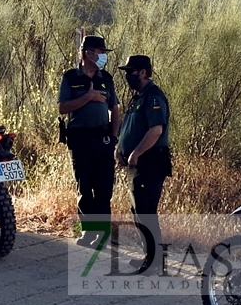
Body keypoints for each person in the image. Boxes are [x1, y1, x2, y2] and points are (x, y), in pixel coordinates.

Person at [58, 35, 121, 246]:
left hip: (102, 138)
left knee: (103, 187)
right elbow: (62, 107)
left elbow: (115, 109)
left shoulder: (107, 78)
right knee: (84, 186)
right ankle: (87, 232)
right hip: (79, 138)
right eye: (100, 52)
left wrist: (114, 137)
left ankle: (102, 235)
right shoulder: (70, 77)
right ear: (88, 53)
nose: (103, 56)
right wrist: (88, 97)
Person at [116, 55, 171, 227]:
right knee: (138, 210)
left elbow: (156, 130)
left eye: (130, 72)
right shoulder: (137, 97)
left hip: (150, 162)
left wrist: (136, 153)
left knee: (145, 211)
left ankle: (154, 254)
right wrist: (119, 148)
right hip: (136, 163)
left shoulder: (153, 96)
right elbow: (129, 127)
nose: (127, 76)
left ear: (143, 72)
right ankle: (150, 254)